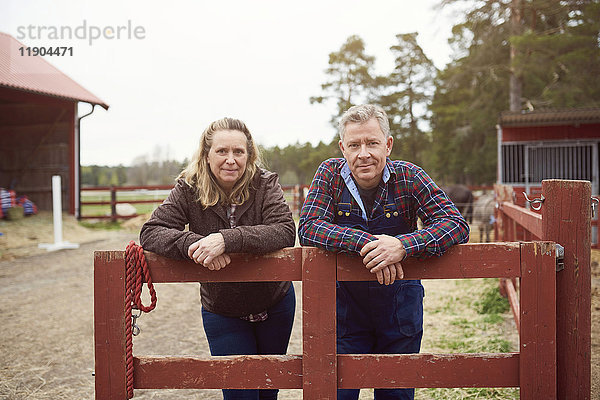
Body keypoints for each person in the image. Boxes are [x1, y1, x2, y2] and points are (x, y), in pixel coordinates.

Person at [298, 104, 469, 400]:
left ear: (388, 145)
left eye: (372, 143)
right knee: (337, 393)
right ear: (343, 148)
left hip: (399, 311)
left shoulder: (409, 176)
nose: (363, 153)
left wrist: (403, 245)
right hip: (344, 313)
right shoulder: (329, 174)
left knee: (397, 395)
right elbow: (309, 227)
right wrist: (367, 243)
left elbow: (455, 223)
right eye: (354, 145)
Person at [140, 117, 296, 400]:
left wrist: (226, 239)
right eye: (222, 151)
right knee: (239, 395)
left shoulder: (265, 183)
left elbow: (284, 230)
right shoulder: (189, 189)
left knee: (267, 391)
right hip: (222, 306)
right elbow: (152, 231)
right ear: (206, 154)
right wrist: (196, 244)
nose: (231, 160)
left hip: (274, 302)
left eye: (239, 152)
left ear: (249, 155)